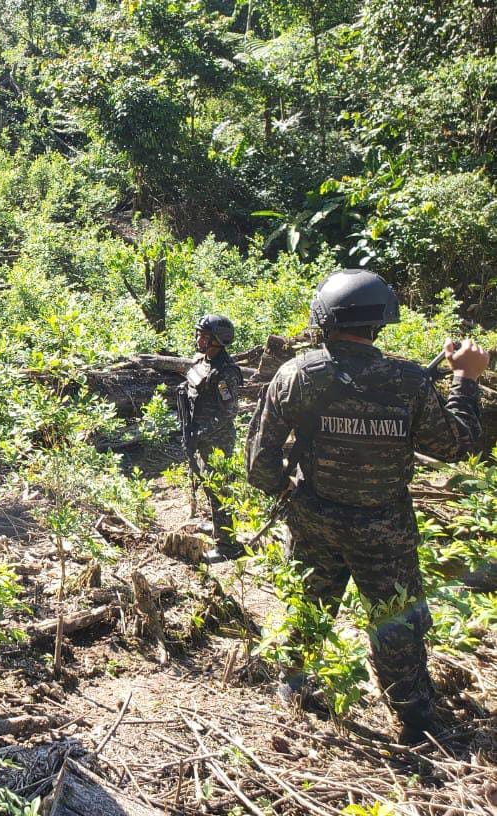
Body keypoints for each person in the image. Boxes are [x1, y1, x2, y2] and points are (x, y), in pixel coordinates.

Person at [245, 270, 487, 744]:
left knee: (308, 609)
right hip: (386, 529)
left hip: (314, 518)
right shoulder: (409, 381)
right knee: (396, 623)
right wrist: (465, 379)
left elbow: (259, 463)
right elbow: (457, 445)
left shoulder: (295, 375)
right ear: (379, 324)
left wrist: (288, 494)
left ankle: (293, 697)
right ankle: (416, 724)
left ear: (323, 320)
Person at [181, 314, 243, 551]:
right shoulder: (200, 362)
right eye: (199, 334)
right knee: (206, 484)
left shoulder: (225, 372)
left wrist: (204, 432)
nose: (199, 339)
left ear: (220, 340)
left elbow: (230, 411)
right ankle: (218, 527)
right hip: (197, 435)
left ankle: (228, 544)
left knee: (219, 489)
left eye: (205, 336)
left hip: (217, 440)